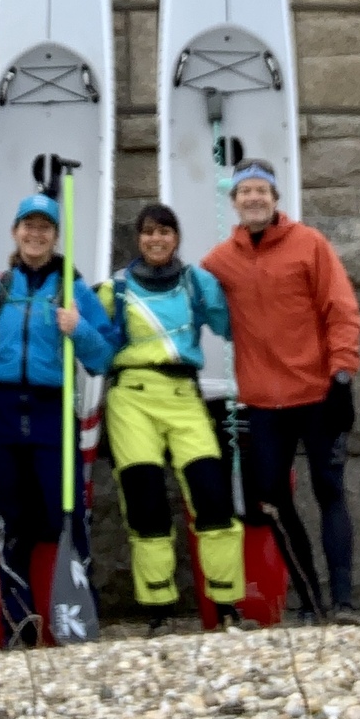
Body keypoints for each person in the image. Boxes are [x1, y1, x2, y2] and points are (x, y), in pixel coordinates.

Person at [201, 160, 360, 625]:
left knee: (329, 489)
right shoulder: (219, 262)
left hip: (317, 394)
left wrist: (343, 373)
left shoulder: (310, 245)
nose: (254, 198)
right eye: (245, 192)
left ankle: (345, 602)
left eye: (261, 191)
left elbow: (342, 310)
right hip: (263, 404)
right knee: (272, 499)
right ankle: (310, 602)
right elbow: (180, 291)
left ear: (275, 198)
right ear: (233, 202)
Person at [0, 192, 117, 645]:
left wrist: (80, 329)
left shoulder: (73, 288)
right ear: (15, 232)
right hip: (1, 412)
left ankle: (76, 617)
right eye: (27, 225)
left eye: (44, 227)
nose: (35, 234)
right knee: (11, 520)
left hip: (52, 410)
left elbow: (104, 356)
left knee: (66, 513)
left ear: (55, 235)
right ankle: (18, 624)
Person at [99, 201, 246, 633]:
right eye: (148, 232)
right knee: (145, 504)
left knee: (213, 498)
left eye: (165, 231)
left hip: (184, 395)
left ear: (176, 238)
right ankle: (158, 608)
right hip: (132, 399)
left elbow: (231, 325)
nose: (156, 239)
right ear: (137, 238)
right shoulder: (115, 289)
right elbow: (91, 343)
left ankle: (226, 605)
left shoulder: (197, 283)